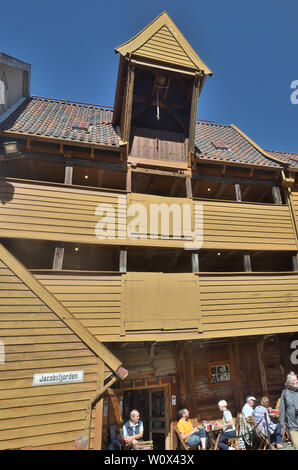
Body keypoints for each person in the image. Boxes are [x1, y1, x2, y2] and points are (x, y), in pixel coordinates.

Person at [279, 371, 298, 450]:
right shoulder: (285, 393)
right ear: (289, 383)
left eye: (296, 379)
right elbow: (282, 410)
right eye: (294, 380)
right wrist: (282, 425)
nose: (296, 381)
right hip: (292, 426)